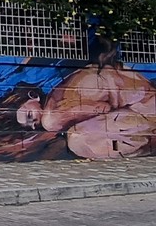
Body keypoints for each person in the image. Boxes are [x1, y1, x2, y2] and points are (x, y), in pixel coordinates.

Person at [16, 39, 156, 159]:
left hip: (143, 111)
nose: (33, 125)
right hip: (143, 105)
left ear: (32, 97)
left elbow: (103, 108)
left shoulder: (51, 118)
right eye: (29, 126)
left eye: (29, 115)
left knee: (77, 140)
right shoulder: (58, 94)